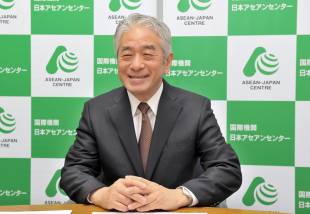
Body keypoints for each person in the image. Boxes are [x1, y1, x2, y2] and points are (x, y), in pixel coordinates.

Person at [60, 13, 242, 212]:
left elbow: (227, 170)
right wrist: (102, 194)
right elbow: (73, 171)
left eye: (148, 55)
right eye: (127, 55)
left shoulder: (195, 108)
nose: (136, 65)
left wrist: (179, 195)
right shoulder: (96, 110)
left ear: (167, 62)